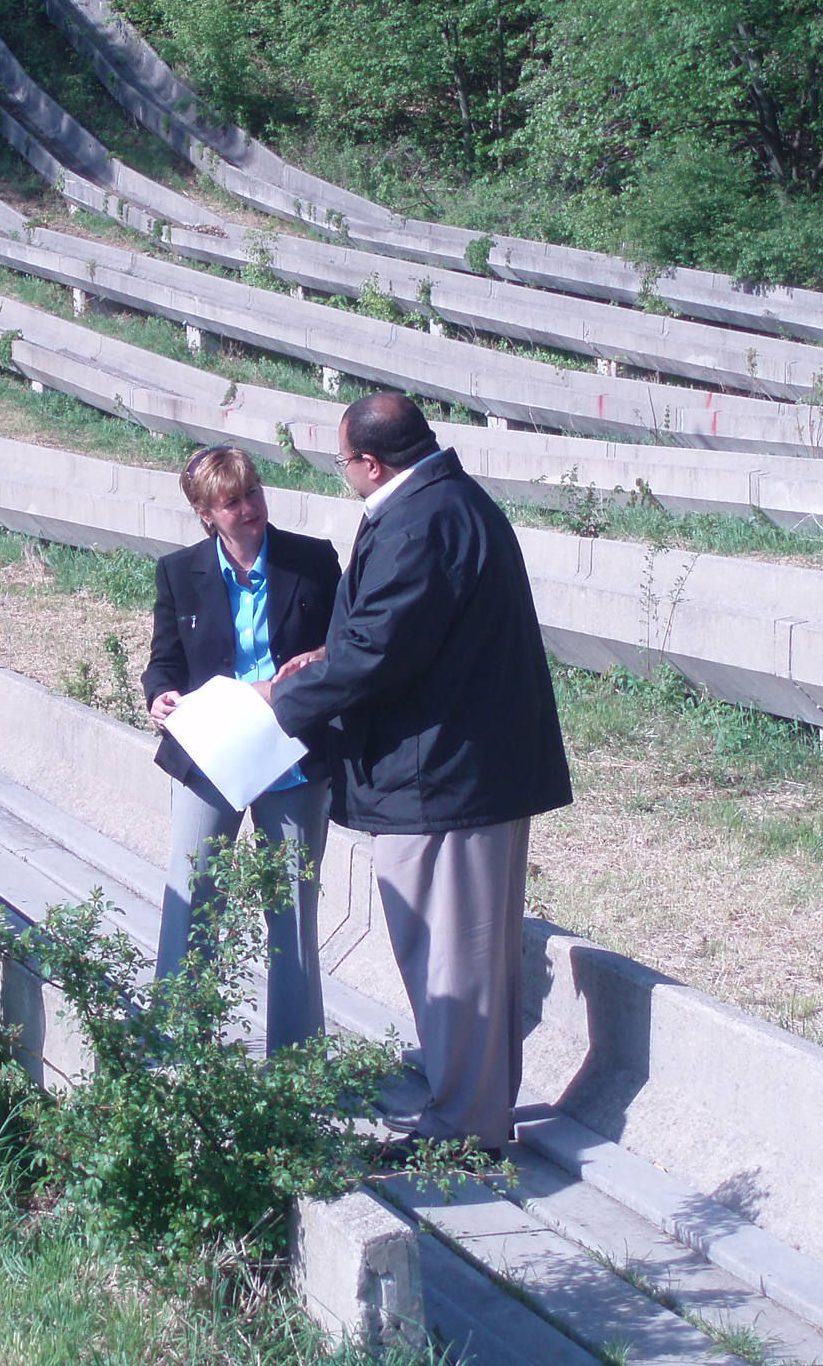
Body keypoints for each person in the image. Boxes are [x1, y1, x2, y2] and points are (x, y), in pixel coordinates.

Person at [258, 393, 572, 1153]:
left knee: (451, 958)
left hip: (445, 776)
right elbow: (404, 633)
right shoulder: (447, 501)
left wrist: (279, 698)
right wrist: (327, 659)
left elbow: (383, 652)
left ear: (370, 462)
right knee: (472, 955)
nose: (347, 477)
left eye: (345, 464)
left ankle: (465, 1133)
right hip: (465, 766)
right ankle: (474, 1111)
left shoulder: (422, 518)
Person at [142, 446, 341, 1053]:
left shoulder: (312, 561)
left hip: (292, 755)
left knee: (293, 912)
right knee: (193, 895)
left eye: (253, 493)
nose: (249, 508)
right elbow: (163, 663)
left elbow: (349, 643)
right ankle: (181, 1050)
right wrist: (160, 697)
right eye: (232, 501)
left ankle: (296, 1063)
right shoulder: (179, 573)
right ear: (205, 513)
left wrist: (323, 658)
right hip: (212, 752)